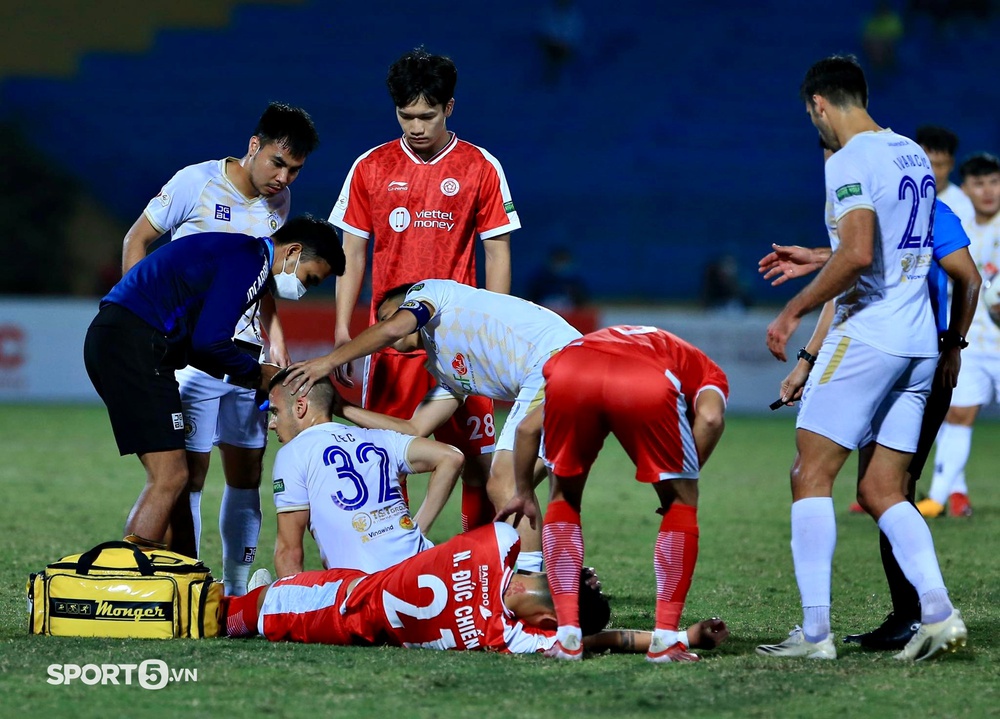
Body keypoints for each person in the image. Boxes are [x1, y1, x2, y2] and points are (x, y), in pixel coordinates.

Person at [757, 55, 966, 661]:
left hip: (869, 333)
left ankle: (816, 634)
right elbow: (888, 243)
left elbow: (857, 254)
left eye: (810, 116)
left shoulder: (847, 159)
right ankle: (938, 613)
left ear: (818, 105)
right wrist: (819, 254)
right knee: (882, 489)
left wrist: (792, 311)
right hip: (918, 343)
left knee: (809, 476)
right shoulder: (907, 153)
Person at [121, 103, 320, 593]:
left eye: (294, 169)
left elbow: (263, 280)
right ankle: (185, 579)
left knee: (247, 468)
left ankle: (234, 589)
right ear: (254, 146)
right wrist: (141, 320)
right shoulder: (197, 181)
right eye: (277, 161)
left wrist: (276, 340)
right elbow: (137, 238)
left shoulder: (280, 204)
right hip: (194, 353)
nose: (283, 176)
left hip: (247, 356)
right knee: (189, 470)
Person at [328, 47, 520, 543]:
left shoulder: (481, 166)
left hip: (461, 346)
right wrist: (343, 328)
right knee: (387, 461)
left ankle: (484, 566)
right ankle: (391, 563)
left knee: (480, 464)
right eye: (406, 115)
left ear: (449, 107)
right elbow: (352, 252)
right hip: (394, 346)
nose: (415, 126)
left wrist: (493, 333)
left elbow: (496, 253)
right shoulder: (371, 166)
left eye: (427, 115)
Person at [85, 216, 345, 553]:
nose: (303, 289)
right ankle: (132, 583)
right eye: (309, 279)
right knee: (171, 477)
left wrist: (251, 376)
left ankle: (182, 573)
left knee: (175, 477)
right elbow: (210, 342)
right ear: (293, 251)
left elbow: (197, 345)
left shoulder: (238, 253)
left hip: (125, 341)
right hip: (135, 344)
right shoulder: (252, 262)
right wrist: (257, 373)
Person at [286, 279, 583, 571]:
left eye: (389, 314)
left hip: (556, 361)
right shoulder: (446, 369)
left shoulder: (431, 292)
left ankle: (532, 587)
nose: (385, 325)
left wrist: (327, 361)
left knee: (504, 481)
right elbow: (413, 429)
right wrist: (342, 407)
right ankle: (563, 581)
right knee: (524, 486)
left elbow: (393, 329)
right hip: (572, 372)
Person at [496, 326, 728, 663]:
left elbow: (526, 428)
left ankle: (568, 639)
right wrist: (681, 481)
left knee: (563, 498)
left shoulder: (599, 343)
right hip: (645, 379)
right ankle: (665, 640)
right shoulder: (709, 372)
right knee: (681, 504)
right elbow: (708, 418)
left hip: (572, 367)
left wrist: (523, 490)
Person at [222, 522, 731, 658]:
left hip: (336, 615)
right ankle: (269, 587)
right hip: (351, 584)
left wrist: (681, 635)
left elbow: (609, 640)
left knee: (220, 616)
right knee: (231, 603)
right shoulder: (506, 548)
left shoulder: (512, 625)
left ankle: (262, 592)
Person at [265, 368, 464, 577]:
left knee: (257, 598)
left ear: (300, 407)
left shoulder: (293, 453)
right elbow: (451, 457)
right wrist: (418, 530)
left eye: (275, 412)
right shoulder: (378, 437)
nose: (272, 424)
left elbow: (289, 553)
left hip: (368, 590)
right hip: (426, 571)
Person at [921, 153, 1000, 518]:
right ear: (965, 188)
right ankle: (938, 498)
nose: (988, 191)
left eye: (994, 182)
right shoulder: (956, 228)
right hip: (973, 342)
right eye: (979, 183)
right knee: (958, 416)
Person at [916, 125, 975, 225]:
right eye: (927, 164)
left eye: (939, 165)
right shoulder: (899, 196)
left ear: (951, 164)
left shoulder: (964, 207)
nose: (932, 172)